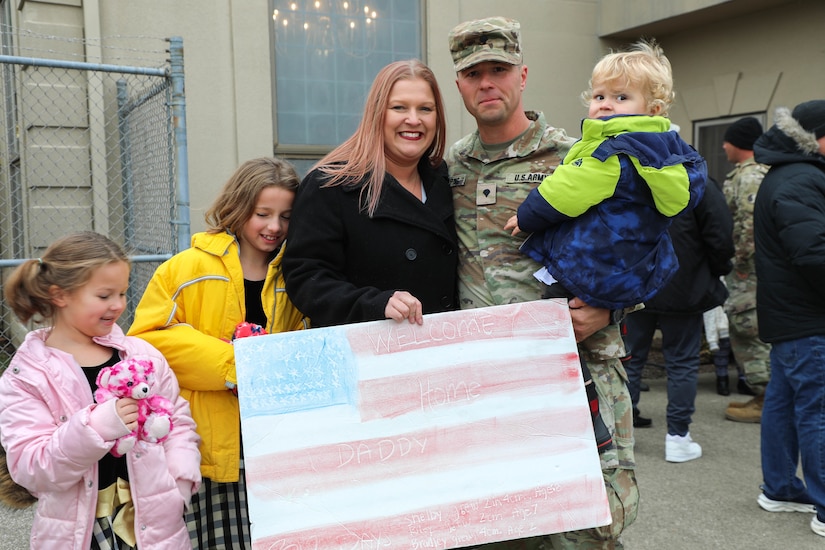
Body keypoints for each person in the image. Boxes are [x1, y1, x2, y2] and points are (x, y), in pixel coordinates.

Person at [446, 16, 637, 548]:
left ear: (522, 75)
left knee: (584, 529)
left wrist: (611, 310)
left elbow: (645, 252)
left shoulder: (580, 158)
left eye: (499, 70)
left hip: (577, 375)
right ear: (459, 84)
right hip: (487, 384)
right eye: (473, 73)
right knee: (500, 529)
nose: (487, 82)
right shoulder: (451, 169)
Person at [128, 157, 309, 548]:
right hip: (204, 444)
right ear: (239, 207)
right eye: (262, 214)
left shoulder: (296, 274)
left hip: (271, 443)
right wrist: (236, 363)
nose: (274, 227)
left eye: (286, 216)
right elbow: (146, 343)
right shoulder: (187, 268)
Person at [0, 231, 201, 549]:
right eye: (104, 295)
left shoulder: (141, 355)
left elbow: (176, 420)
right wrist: (98, 425)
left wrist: (180, 480)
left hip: (156, 529)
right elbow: (31, 466)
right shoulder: (28, 376)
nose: (118, 305)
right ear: (60, 295)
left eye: (122, 293)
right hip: (78, 535)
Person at [505, 38, 705, 312]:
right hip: (628, 267)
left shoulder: (614, 152)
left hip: (589, 264)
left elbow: (567, 190)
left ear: (653, 109)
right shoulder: (668, 150)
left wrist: (527, 216)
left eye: (621, 97)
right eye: (600, 96)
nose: (606, 105)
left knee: (550, 312)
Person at [282, 59, 458, 327]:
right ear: (378, 113)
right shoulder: (330, 185)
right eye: (399, 107)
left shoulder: (448, 180)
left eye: (425, 108)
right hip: (366, 357)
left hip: (444, 348)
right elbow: (306, 279)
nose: (414, 119)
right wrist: (376, 304)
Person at [752, 99, 825, 537]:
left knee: (784, 403)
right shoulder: (801, 179)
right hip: (809, 318)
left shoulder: (793, 174)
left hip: (791, 318)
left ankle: (780, 487)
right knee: (817, 410)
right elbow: (814, 254)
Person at [622, 177, 734, 462]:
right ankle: (678, 437)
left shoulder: (629, 176)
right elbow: (719, 235)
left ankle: (622, 434)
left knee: (629, 359)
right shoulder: (697, 181)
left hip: (637, 283)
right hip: (685, 283)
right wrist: (716, 270)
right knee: (682, 362)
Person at [719, 116, 772, 422]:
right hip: (751, 269)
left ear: (739, 143)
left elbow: (749, 225)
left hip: (748, 270)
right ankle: (765, 395)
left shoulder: (751, 176)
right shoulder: (748, 173)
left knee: (747, 326)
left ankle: (768, 399)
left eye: (727, 140)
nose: (723, 145)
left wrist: (738, 263)